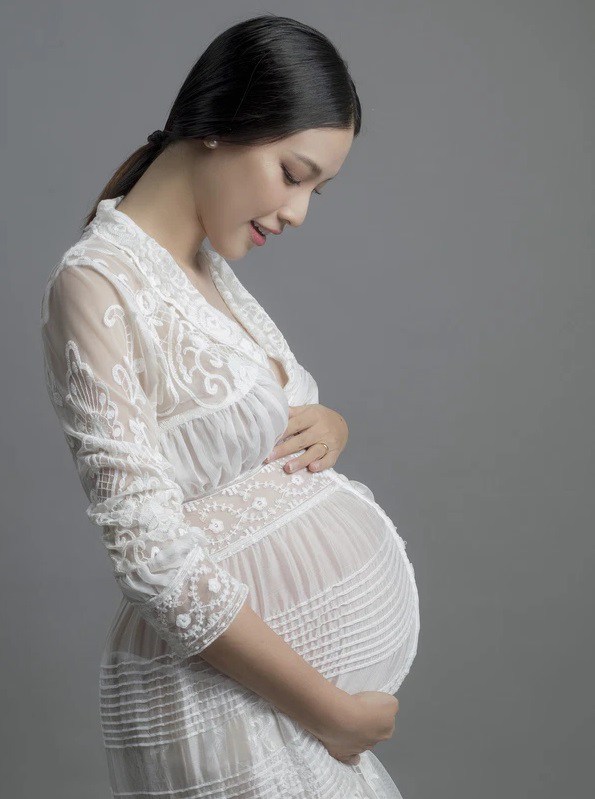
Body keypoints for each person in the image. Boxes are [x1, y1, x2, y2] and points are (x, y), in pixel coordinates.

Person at [40, 14, 420, 799]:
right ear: (221, 126)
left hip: (279, 706)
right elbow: (150, 552)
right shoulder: (97, 282)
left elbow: (264, 425)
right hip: (226, 703)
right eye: (293, 172)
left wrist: (332, 425)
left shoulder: (205, 264)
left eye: (319, 188)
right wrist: (332, 712)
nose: (299, 212)